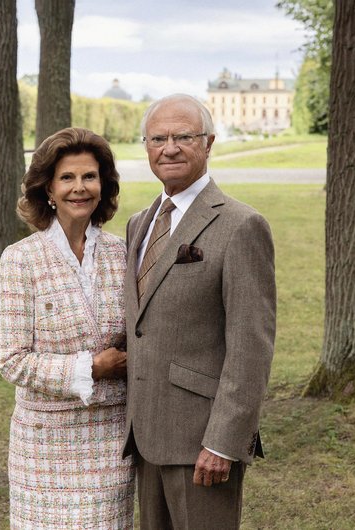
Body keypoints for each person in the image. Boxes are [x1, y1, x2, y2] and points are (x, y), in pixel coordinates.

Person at [122, 94, 276, 529]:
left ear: (208, 143)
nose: (169, 147)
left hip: (202, 442)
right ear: (146, 146)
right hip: (146, 434)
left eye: (183, 136)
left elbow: (251, 347)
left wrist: (224, 442)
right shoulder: (139, 223)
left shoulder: (241, 225)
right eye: (158, 138)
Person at [0, 127, 135, 529]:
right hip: (43, 446)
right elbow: (12, 361)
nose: (80, 188)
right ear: (48, 190)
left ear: (103, 186)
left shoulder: (122, 254)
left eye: (89, 177)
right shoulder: (21, 259)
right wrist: (92, 367)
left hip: (109, 442)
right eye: (67, 178)